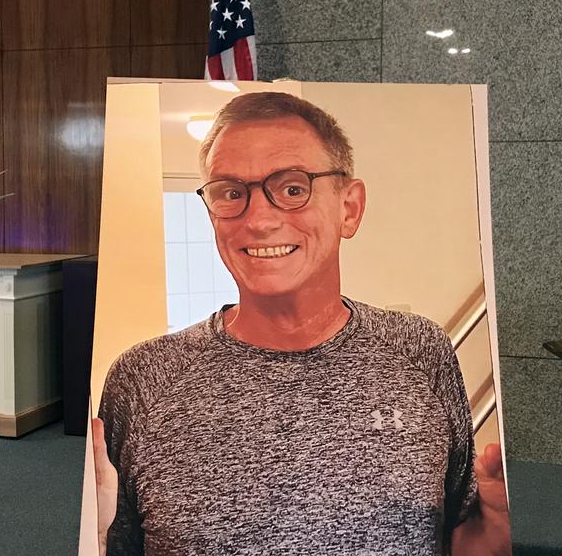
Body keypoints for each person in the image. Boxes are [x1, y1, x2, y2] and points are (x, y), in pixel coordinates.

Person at [92, 91, 511, 555]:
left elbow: (456, 537)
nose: (259, 220)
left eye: (293, 189)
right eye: (231, 193)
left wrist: (497, 526)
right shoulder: (143, 379)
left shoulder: (419, 350)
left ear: (349, 208)